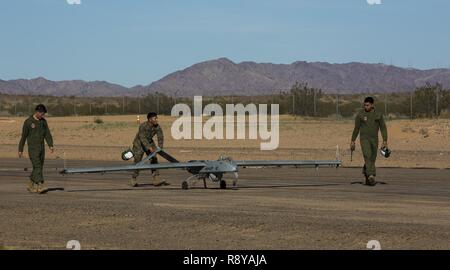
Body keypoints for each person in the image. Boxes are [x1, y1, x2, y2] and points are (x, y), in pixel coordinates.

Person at [350, 97, 388, 186]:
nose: (365, 107)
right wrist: (353, 140)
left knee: (372, 158)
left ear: (372, 105)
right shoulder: (360, 115)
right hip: (364, 139)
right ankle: (371, 175)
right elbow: (356, 128)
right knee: (367, 155)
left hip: (374, 139)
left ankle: (366, 174)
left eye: (367, 105)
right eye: (364, 105)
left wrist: (385, 140)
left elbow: (383, 127)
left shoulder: (378, 114)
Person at [18, 104, 54, 194]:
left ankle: (30, 185)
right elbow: (23, 137)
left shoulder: (43, 122)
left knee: (39, 167)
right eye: (41, 113)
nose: (43, 115)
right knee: (37, 166)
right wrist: (20, 149)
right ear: (37, 112)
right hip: (33, 149)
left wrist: (50, 145)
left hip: (42, 148)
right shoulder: (28, 122)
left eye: (44, 113)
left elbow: (47, 134)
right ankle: (40, 185)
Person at [130, 112, 169, 187]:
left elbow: (160, 136)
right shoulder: (143, 126)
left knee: (154, 158)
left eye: (157, 118)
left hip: (149, 141)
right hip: (139, 143)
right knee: (138, 160)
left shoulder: (157, 127)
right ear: (150, 119)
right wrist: (149, 148)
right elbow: (142, 138)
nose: (156, 120)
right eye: (155, 118)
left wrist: (160, 147)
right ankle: (134, 178)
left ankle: (156, 179)